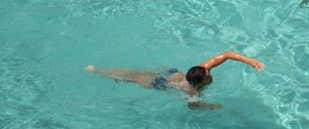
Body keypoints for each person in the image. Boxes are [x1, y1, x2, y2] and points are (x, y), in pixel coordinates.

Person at [86, 51, 264, 109]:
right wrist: (211, 106)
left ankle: (100, 70)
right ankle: (98, 71)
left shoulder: (202, 68)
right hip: (162, 83)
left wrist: (250, 61)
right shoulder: (191, 91)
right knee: (130, 77)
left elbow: (226, 55)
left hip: (171, 73)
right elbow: (192, 105)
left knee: (136, 73)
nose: (210, 73)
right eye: (208, 75)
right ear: (201, 82)